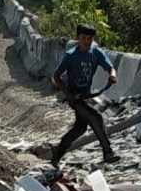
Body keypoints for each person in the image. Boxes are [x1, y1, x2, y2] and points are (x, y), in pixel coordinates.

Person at [50, 23, 120, 167]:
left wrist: (112, 76)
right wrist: (68, 94)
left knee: (80, 128)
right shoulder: (70, 56)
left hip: (85, 96)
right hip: (74, 97)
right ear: (78, 38)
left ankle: (57, 154)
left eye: (89, 38)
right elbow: (56, 76)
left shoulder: (96, 52)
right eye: (84, 38)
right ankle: (108, 152)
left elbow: (110, 68)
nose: (87, 41)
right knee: (96, 117)